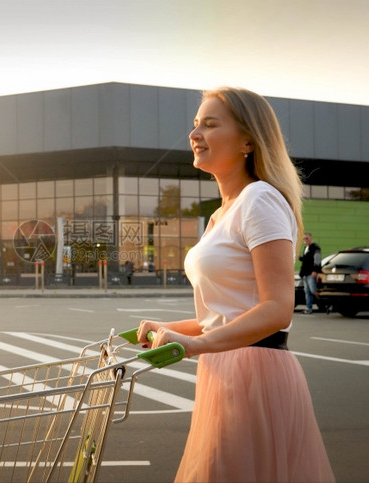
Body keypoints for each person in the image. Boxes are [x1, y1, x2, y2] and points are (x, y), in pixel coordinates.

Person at [138, 87, 334, 482]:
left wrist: (197, 345)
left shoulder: (259, 200)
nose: (195, 134)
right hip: (223, 369)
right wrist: (170, 329)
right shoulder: (219, 215)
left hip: (254, 375)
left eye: (210, 124)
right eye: (195, 124)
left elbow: (277, 309)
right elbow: (220, 317)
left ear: (248, 140)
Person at [299, 232, 322, 314]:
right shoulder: (306, 248)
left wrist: (315, 270)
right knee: (307, 291)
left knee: (313, 290)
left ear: (311, 238)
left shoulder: (315, 248)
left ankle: (324, 305)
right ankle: (308, 308)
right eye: (304, 239)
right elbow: (306, 260)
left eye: (307, 238)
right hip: (305, 273)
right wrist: (300, 257)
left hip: (311, 273)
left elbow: (317, 259)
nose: (305, 240)